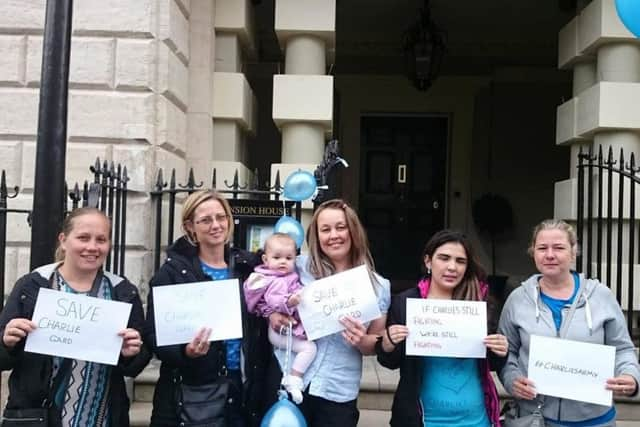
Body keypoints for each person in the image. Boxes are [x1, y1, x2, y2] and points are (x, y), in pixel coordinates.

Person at [0, 207, 148, 427]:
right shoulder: (32, 286)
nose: (92, 247)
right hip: (38, 418)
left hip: (101, 417)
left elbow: (137, 362)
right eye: (83, 238)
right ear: (63, 240)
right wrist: (7, 341)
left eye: (101, 239)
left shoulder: (123, 292)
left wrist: (130, 354)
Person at [145, 190, 269, 427]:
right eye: (205, 220)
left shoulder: (248, 267)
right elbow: (154, 335)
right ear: (190, 226)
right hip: (195, 390)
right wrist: (185, 351)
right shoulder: (171, 274)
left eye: (221, 217)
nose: (216, 225)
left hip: (244, 387)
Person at [499, 219, 640, 426]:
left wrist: (630, 375)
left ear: (573, 252)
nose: (549, 255)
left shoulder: (601, 296)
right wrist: (512, 380)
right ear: (533, 253)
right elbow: (506, 351)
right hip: (535, 419)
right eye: (542, 248)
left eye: (559, 248)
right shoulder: (518, 299)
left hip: (594, 420)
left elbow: (623, 348)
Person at [268, 199, 391, 427]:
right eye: (325, 229)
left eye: (340, 227)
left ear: (353, 231)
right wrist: (273, 314)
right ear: (317, 236)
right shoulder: (297, 267)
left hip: (337, 387)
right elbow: (265, 291)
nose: (333, 235)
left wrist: (362, 340)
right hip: (289, 378)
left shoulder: (378, 285)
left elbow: (376, 340)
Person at [376, 229, 506, 427]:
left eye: (460, 261)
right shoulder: (407, 302)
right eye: (444, 258)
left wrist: (500, 350)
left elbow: (493, 362)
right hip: (422, 419)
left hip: (477, 419)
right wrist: (388, 344)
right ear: (428, 262)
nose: (452, 267)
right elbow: (391, 362)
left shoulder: (480, 302)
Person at [243, 232, 317, 404]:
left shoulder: (286, 276)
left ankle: (292, 379)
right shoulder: (273, 279)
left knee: (305, 349)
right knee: (309, 349)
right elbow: (273, 300)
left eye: (289, 258)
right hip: (278, 331)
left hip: (287, 327)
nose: (283, 261)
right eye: (277, 257)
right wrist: (289, 301)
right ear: (265, 259)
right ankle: (294, 380)